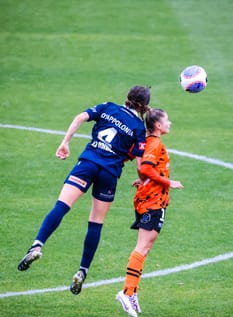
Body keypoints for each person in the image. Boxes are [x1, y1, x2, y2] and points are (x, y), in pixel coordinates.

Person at [18, 85, 151, 296]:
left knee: (61, 206)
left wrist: (65, 142)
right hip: (108, 174)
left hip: (87, 163)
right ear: (145, 107)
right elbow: (139, 161)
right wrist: (143, 180)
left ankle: (36, 246)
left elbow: (80, 117)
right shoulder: (139, 128)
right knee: (95, 223)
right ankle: (82, 270)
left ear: (126, 98)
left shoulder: (108, 107)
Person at [116, 108, 183, 317]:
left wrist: (145, 181)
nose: (170, 123)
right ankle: (126, 292)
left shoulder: (150, 142)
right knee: (142, 248)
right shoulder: (155, 143)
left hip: (150, 198)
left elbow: (146, 170)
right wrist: (168, 182)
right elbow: (146, 168)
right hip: (153, 201)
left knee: (144, 249)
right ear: (158, 126)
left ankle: (133, 292)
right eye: (167, 120)